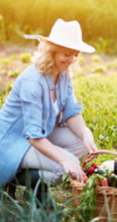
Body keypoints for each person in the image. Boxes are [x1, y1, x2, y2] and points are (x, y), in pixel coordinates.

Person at [0, 18, 98, 203]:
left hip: (38, 135)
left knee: (81, 144)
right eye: (67, 54)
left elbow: (71, 112)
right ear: (51, 51)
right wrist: (64, 160)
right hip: (13, 142)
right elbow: (34, 136)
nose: (72, 60)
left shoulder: (62, 75)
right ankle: (17, 180)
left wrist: (85, 133)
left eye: (75, 54)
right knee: (66, 166)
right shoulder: (33, 82)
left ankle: (35, 189)